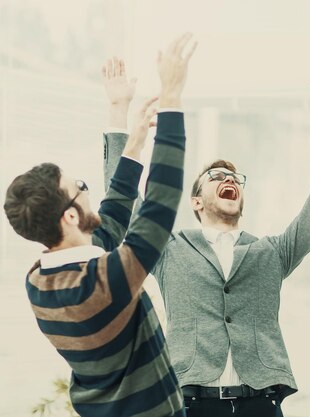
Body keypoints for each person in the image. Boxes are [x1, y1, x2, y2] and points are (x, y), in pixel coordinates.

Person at [103, 68, 310, 416]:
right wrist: (119, 110)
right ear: (196, 201)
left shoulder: (271, 253)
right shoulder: (169, 251)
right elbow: (121, 202)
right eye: (217, 176)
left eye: (235, 178)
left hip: (260, 402)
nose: (229, 180)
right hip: (191, 403)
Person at [3, 33, 196, 417]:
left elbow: (108, 225)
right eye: (82, 188)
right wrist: (172, 96)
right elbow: (158, 204)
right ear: (70, 216)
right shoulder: (104, 281)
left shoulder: (39, 281)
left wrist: (128, 133)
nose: (88, 191)